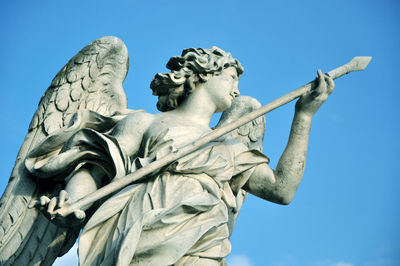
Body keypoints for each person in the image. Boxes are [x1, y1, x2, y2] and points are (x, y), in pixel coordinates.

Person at [26, 46, 334, 265]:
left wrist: (303, 117)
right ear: (202, 75)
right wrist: (72, 199)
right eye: (231, 78)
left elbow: (282, 190)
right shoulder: (146, 122)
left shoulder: (230, 146)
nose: (237, 91)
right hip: (141, 225)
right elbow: (94, 167)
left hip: (203, 238)